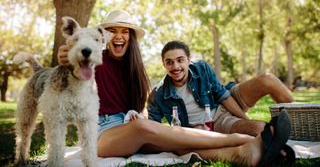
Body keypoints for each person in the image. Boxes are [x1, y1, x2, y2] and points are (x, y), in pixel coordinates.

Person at [58, 10, 291, 166]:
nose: (119, 36)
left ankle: (246, 153)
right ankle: (243, 138)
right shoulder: (95, 56)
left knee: (177, 145)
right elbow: (75, 62)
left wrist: (139, 115)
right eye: (113, 31)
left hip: (127, 125)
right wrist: (66, 57)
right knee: (146, 128)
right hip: (101, 134)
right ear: (105, 36)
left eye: (125, 31)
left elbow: (141, 107)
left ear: (130, 37)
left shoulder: (134, 69)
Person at [148, 40, 293, 136]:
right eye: (169, 62)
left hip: (223, 102)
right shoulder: (158, 95)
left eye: (180, 60)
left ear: (188, 59)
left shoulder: (201, 68)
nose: (176, 67)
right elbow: (153, 130)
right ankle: (276, 134)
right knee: (261, 129)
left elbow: (222, 95)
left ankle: (296, 123)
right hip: (213, 124)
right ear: (164, 64)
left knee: (267, 80)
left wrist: (244, 118)